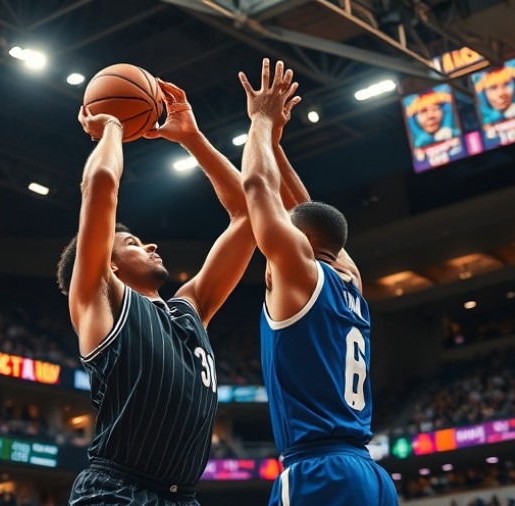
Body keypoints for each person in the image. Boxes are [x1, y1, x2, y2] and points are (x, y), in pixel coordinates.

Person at [57, 78, 256, 505]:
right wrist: (112, 126)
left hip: (182, 497)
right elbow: (101, 186)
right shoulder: (99, 300)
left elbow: (248, 215)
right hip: (117, 491)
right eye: (131, 243)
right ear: (107, 265)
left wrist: (193, 138)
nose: (149, 245)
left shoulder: (191, 308)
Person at [238, 58, 398, 505]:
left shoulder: (298, 271)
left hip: (318, 470)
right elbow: (308, 211)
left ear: (300, 242)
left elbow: (255, 185)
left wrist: (260, 120)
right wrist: (274, 143)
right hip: (369, 475)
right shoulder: (350, 280)